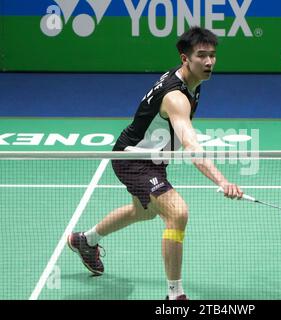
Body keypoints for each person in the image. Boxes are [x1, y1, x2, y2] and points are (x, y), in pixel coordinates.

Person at [67, 26, 243, 300]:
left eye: (212, 55)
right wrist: (221, 180)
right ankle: (175, 295)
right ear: (185, 58)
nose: (209, 62)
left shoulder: (190, 81)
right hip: (133, 157)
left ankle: (85, 240)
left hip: (153, 158)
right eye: (201, 56)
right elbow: (192, 146)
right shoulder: (176, 98)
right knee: (177, 213)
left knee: (145, 212)